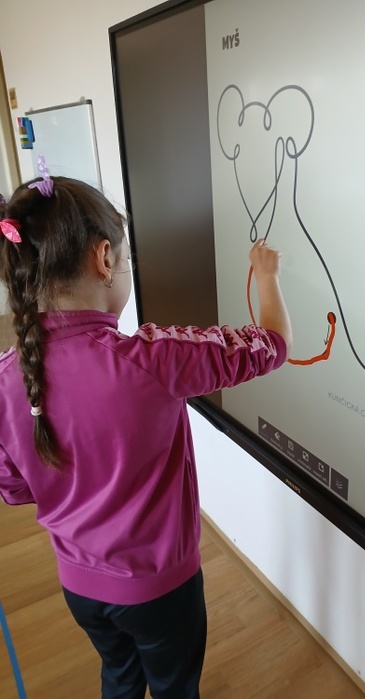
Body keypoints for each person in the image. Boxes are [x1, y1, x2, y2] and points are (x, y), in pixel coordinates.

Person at [0, 172, 292, 699]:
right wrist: (266, 275)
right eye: (127, 259)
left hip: (79, 587)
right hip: (161, 591)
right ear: (104, 258)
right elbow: (271, 344)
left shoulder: (4, 380)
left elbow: (16, 489)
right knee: (175, 685)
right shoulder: (154, 359)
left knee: (119, 674)